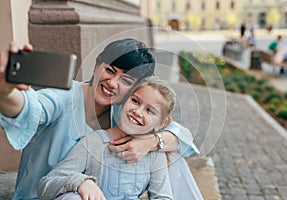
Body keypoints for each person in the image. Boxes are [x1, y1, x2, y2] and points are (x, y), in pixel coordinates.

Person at [0, 39, 199, 199]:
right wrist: (6, 92)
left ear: (135, 88)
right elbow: (29, 106)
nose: (112, 83)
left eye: (126, 81)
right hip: (50, 194)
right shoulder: (65, 97)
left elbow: (182, 137)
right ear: (97, 66)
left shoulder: (124, 112)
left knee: (169, 155)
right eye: (110, 71)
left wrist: (151, 142)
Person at [38, 76, 176, 200]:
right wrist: (81, 182)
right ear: (124, 100)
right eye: (135, 101)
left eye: (150, 111)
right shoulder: (93, 143)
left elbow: (163, 196)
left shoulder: (154, 155)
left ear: (161, 123)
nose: (137, 112)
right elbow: (46, 184)